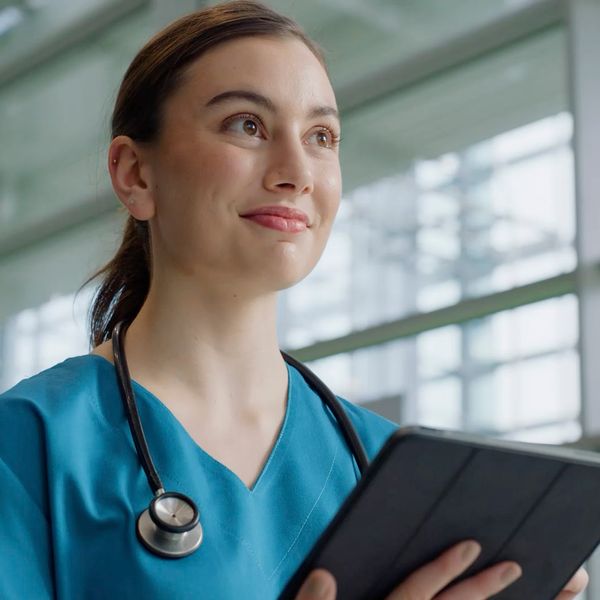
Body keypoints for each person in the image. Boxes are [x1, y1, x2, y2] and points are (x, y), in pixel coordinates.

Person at [0, 1, 589, 598]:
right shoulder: (30, 443)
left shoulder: (390, 466)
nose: (297, 171)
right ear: (136, 175)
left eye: (321, 136)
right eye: (246, 125)